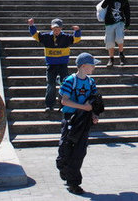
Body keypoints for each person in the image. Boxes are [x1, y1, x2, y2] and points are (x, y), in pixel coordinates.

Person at [57, 52, 103, 195]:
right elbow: (64, 101)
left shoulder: (91, 82)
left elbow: (93, 100)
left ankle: (74, 183)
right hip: (71, 118)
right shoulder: (70, 80)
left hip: (84, 120)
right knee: (66, 149)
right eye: (92, 65)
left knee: (80, 151)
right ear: (83, 66)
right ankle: (64, 167)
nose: (94, 67)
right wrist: (84, 107)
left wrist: (94, 114)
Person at [27, 17, 81, 113]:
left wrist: (77, 31)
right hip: (51, 65)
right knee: (51, 85)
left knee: (64, 84)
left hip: (63, 64)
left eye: (58, 29)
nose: (56, 31)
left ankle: (63, 105)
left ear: (61, 29)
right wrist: (32, 26)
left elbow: (76, 39)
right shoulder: (46, 37)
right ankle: (49, 105)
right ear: (51, 28)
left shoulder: (66, 38)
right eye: (55, 29)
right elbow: (35, 35)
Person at [99, 0, 131, 67]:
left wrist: (127, 24)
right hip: (109, 22)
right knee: (109, 42)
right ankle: (111, 59)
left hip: (119, 21)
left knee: (119, 38)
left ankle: (121, 54)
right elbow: (103, 6)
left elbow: (127, 11)